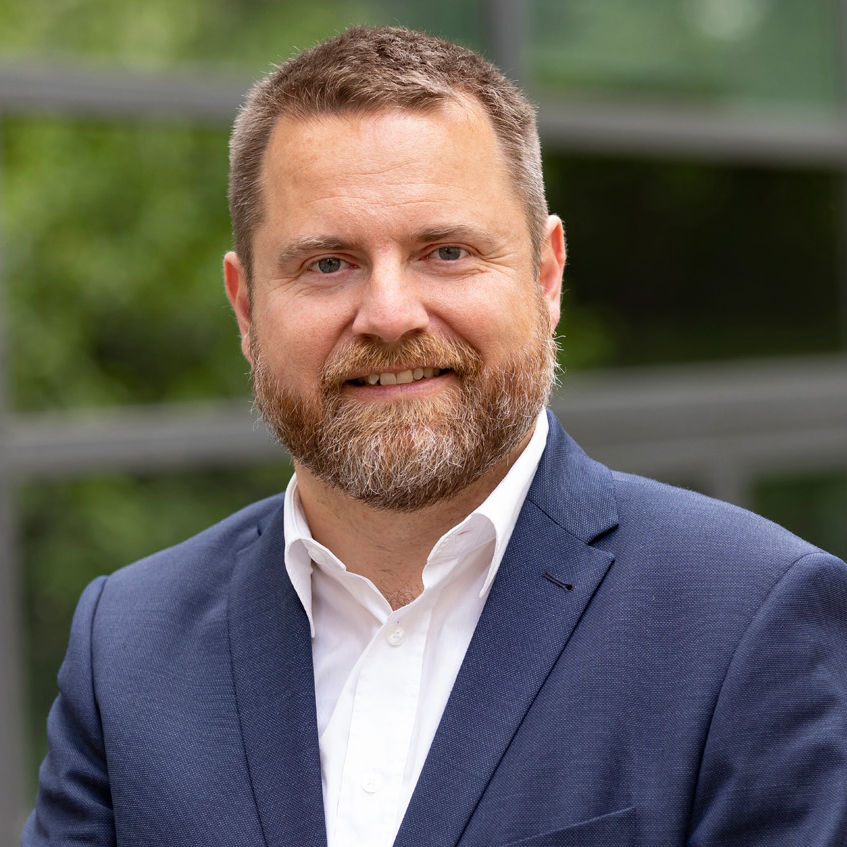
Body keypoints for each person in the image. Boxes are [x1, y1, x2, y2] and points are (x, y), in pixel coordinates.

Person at [23, 25, 847, 847]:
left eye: (446, 252)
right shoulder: (125, 646)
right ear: (245, 307)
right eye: (327, 263)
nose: (388, 315)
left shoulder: (748, 621)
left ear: (546, 275)